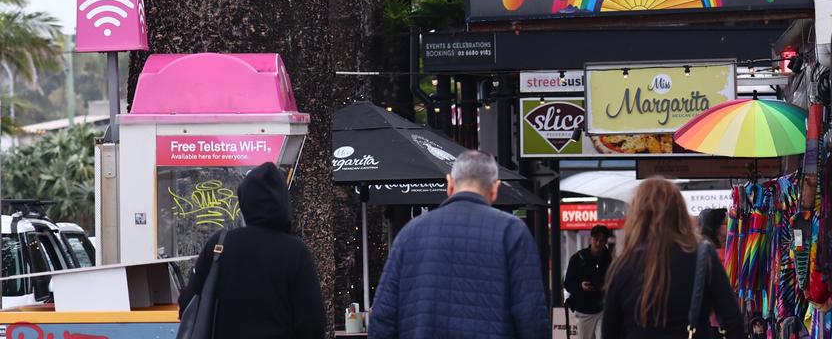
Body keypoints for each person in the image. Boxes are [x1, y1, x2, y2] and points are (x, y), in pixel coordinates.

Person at [368, 150, 551, 339]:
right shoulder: (511, 231)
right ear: (495, 189)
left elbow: (383, 317)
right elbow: (531, 316)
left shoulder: (411, 232)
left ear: (450, 183)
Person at [178, 162, 324, 339]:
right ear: (284, 202)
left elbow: (189, 303)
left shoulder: (220, 244)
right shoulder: (296, 251)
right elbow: (312, 322)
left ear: (244, 200)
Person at [602, 178, 744, 339]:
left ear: (637, 216)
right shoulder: (703, 258)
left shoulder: (622, 265)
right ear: (680, 212)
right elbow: (732, 321)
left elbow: (609, 331)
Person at [564, 224, 614, 339]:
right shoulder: (578, 258)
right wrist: (580, 286)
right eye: (596, 239)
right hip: (584, 311)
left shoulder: (610, 259)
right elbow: (568, 284)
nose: (598, 243)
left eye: (602, 240)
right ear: (591, 238)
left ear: (606, 241)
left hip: (603, 309)